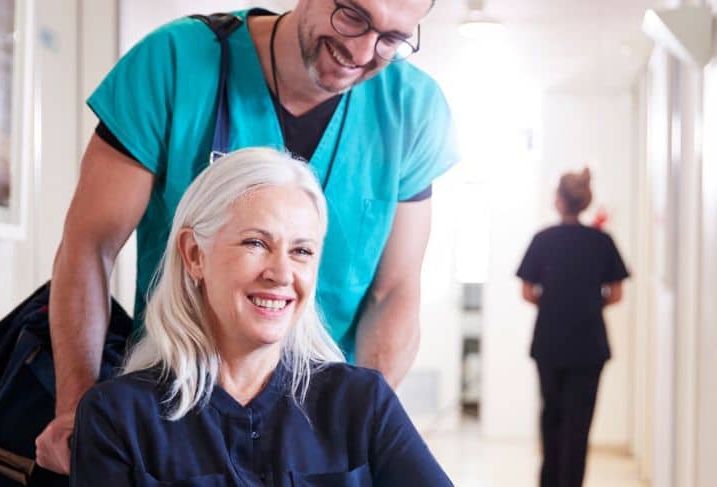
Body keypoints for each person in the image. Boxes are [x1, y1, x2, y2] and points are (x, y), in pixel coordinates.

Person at [38, 0, 457, 474]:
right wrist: (79, 411)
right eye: (353, 16)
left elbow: (395, 289)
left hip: (315, 413)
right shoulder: (175, 64)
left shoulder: (411, 109)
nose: (362, 50)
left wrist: (357, 430)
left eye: (392, 38)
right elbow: (89, 248)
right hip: (175, 406)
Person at [69, 148, 452, 486]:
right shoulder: (118, 418)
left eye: (302, 251)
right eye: (256, 243)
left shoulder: (361, 403)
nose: (282, 273)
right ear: (194, 254)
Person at [515, 168, 630, 487]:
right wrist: (588, 304)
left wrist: (554, 303)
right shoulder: (602, 241)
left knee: (550, 417)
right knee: (579, 425)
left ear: (559, 201)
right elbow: (616, 294)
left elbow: (527, 291)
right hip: (589, 345)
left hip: (550, 341)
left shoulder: (543, 240)